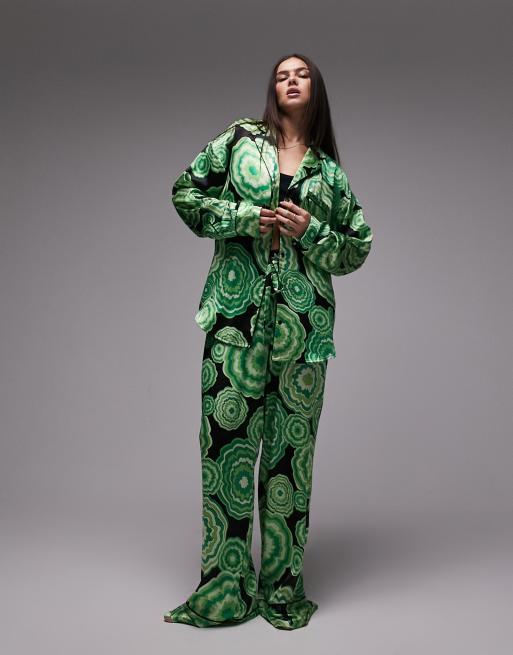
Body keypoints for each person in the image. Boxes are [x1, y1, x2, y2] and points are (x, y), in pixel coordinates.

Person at [163, 52, 373, 630]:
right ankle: (224, 592)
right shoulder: (239, 140)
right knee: (224, 451)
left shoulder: (328, 173)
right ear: (272, 89)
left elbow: (357, 246)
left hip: (303, 335)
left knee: (289, 462)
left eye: (301, 73)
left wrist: (312, 231)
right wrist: (242, 217)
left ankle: (282, 591)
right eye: (282, 74)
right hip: (235, 321)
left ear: (315, 89)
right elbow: (185, 193)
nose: (290, 80)